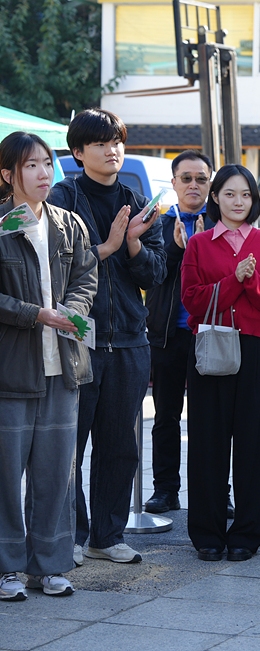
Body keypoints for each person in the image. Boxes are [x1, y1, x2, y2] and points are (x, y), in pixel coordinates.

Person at [48, 109, 167, 566]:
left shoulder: (138, 201)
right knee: (69, 447)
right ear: (78, 153)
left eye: (116, 141)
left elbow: (156, 272)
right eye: (99, 143)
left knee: (121, 446)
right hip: (80, 340)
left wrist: (134, 242)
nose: (111, 150)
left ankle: (107, 535)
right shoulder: (64, 198)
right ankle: (72, 536)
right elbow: (56, 267)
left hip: (131, 341)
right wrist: (108, 247)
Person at [0, 132, 98, 600]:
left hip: (62, 365)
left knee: (57, 472)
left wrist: (73, 308)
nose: (43, 173)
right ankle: (6, 568)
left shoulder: (67, 223)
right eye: (31, 165)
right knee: (4, 473)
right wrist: (33, 313)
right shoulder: (1, 223)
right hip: (11, 370)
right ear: (7, 175)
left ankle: (52, 565)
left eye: (46, 163)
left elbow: (86, 274)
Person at [180, 164, 260, 562]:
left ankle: (246, 533)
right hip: (210, 348)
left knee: (253, 443)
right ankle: (206, 532)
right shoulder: (199, 244)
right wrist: (233, 281)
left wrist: (250, 280)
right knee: (207, 441)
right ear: (216, 198)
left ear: (253, 200)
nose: (238, 202)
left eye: (245, 195)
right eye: (229, 194)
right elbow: (192, 301)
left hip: (255, 351)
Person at [144, 149, 213, 515]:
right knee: (166, 417)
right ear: (173, 183)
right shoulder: (157, 222)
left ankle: (216, 491)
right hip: (168, 333)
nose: (193, 184)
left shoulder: (222, 222)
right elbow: (149, 273)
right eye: (186, 178)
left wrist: (204, 249)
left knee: (211, 419)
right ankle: (165, 489)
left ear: (210, 184)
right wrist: (176, 249)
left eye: (201, 178)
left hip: (211, 336)